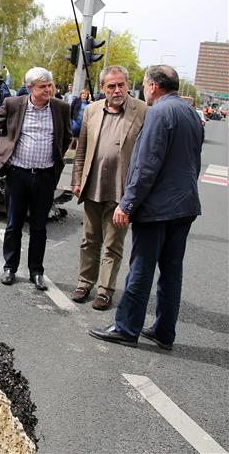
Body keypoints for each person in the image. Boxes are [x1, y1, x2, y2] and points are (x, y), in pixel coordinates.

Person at [89, 65, 202, 348]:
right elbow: (193, 162)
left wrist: (126, 203)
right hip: (185, 205)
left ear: (152, 86)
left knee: (141, 268)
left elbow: (145, 165)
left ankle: (126, 328)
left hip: (157, 209)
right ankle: (165, 331)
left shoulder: (159, 113)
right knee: (172, 271)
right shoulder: (190, 113)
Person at [0, 67, 72, 290]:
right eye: (43, 86)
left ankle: (36, 271)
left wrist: (56, 158)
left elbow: (67, 138)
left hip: (45, 177)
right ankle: (10, 268)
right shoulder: (14, 104)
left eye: (50, 85)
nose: (49, 89)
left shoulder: (61, 107)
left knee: (39, 227)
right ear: (31, 87)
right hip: (18, 175)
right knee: (14, 224)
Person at [70, 66, 148, 310]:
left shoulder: (142, 111)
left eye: (121, 85)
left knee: (113, 243)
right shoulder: (92, 110)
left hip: (121, 190)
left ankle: (105, 290)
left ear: (127, 85)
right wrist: (76, 179)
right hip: (92, 185)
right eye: (111, 86)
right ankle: (85, 282)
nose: (117, 90)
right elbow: (81, 148)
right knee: (89, 240)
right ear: (102, 88)